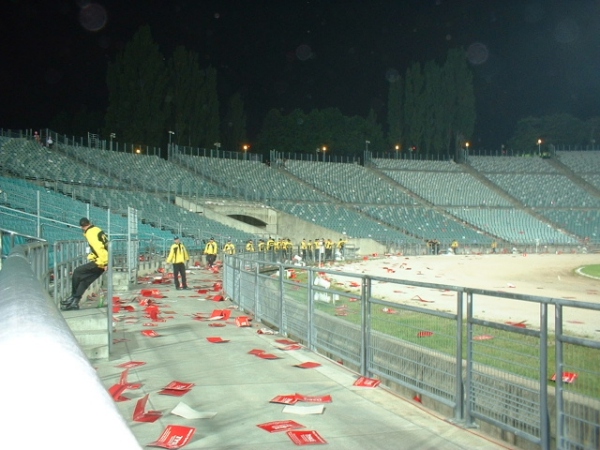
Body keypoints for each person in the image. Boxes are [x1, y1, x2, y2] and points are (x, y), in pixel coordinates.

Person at [61, 218, 108, 311]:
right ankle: (74, 302)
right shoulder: (97, 229)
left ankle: (73, 297)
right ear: (90, 222)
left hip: (101, 262)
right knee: (85, 281)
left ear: (82, 227)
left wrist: (104, 263)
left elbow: (99, 248)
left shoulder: (90, 233)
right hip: (103, 259)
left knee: (77, 272)